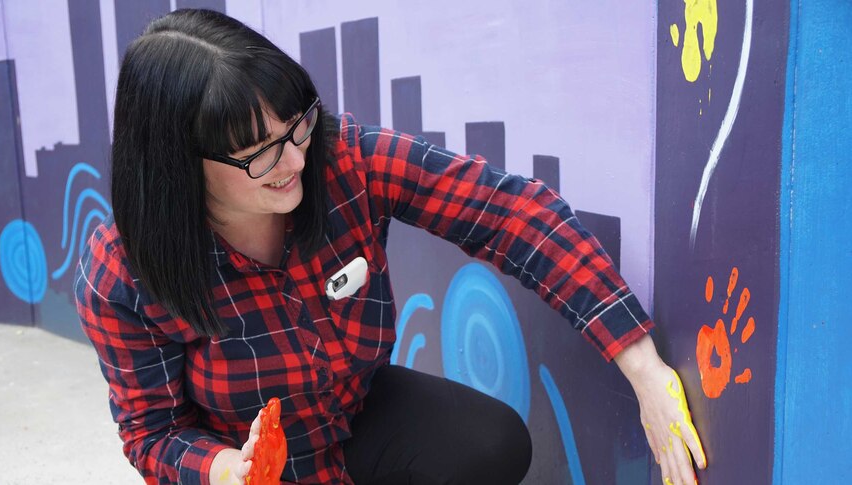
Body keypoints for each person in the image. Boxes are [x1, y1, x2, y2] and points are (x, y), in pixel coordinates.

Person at [75, 8, 706, 485]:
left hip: (348, 415)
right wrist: (222, 469)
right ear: (177, 164)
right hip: (249, 467)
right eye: (259, 150)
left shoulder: (342, 156)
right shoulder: (124, 269)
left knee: (488, 442)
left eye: (297, 125)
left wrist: (643, 368)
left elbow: (510, 212)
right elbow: (152, 432)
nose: (292, 159)